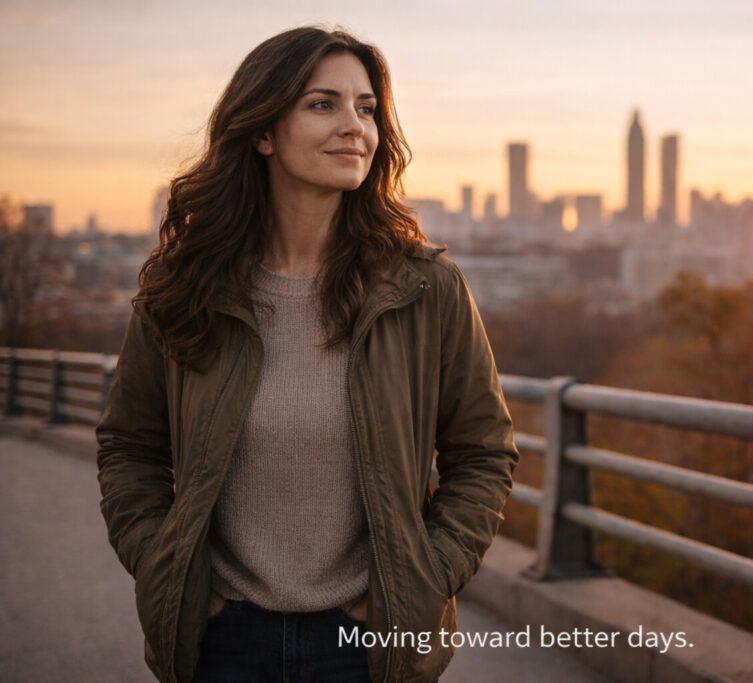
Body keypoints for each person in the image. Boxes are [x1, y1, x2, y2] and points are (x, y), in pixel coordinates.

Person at [96, 25, 518, 683]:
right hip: (222, 641)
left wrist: (422, 576)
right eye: (323, 104)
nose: (355, 126)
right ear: (263, 132)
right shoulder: (184, 288)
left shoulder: (425, 288)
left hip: (368, 644)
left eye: (367, 108)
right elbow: (128, 448)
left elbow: (483, 451)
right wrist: (168, 566)